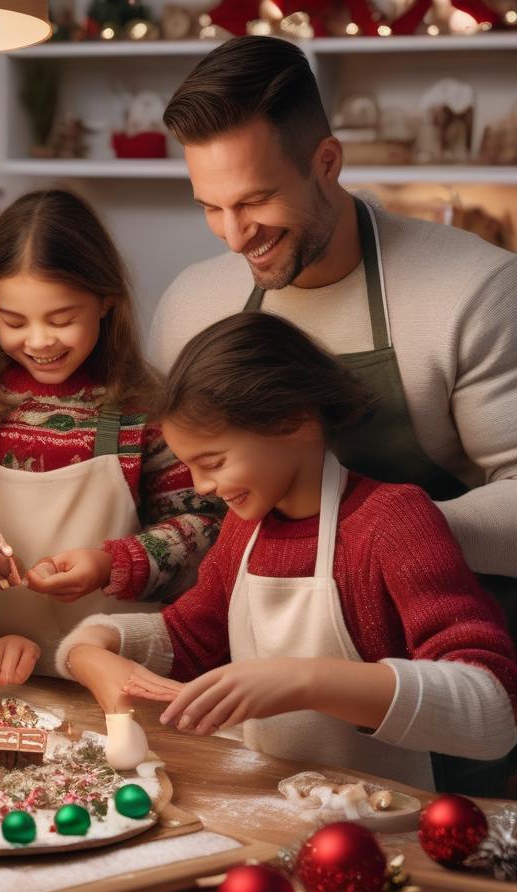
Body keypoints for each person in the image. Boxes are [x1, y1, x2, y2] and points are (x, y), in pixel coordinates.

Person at [56, 312, 517, 791]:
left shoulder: (392, 521)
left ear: (293, 423)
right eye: (190, 466)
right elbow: (186, 638)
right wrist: (93, 648)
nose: (203, 487)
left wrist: (306, 681)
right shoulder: (244, 529)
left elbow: (491, 709)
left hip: (380, 826)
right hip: (273, 807)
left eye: (213, 462)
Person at [148, 36, 517, 625]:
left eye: (256, 200)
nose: (235, 236)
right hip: (260, 653)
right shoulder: (193, 304)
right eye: (210, 207)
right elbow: (175, 492)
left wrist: (376, 535)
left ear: (326, 162)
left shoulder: (473, 291)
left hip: (445, 653)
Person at [0, 189, 220, 682]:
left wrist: (110, 564)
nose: (38, 341)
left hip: (118, 676)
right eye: (13, 320)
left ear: (106, 301)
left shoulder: (141, 402)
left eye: (62, 319)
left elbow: (205, 526)